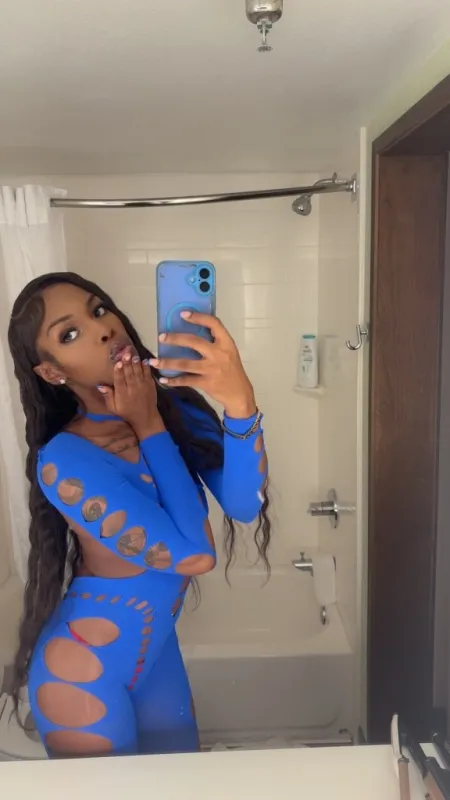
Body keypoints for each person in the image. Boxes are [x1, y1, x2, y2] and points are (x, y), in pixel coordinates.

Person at [7, 272, 270, 759]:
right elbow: (195, 555)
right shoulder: (65, 459)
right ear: (52, 372)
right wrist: (147, 424)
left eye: (99, 309)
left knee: (183, 787)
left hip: (155, 654)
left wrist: (240, 402)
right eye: (70, 333)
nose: (103, 329)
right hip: (80, 674)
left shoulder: (177, 409)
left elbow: (244, 504)